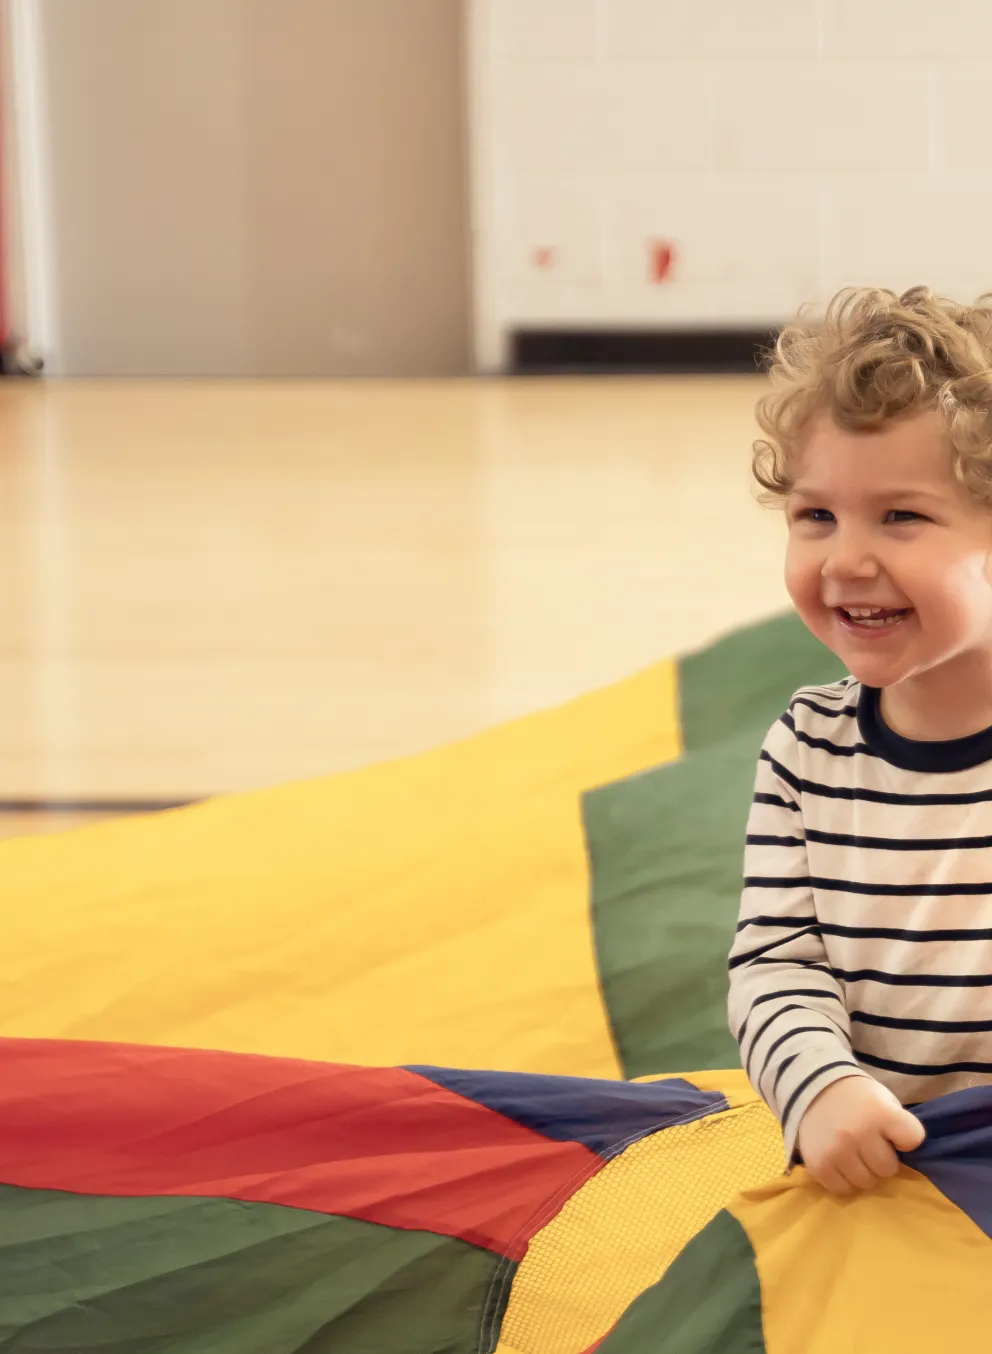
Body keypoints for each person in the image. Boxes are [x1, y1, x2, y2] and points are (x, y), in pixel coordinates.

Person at [728, 285, 992, 1196]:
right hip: (892, 1186)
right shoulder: (808, 745)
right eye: (817, 517)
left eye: (902, 516)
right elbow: (776, 965)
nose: (845, 560)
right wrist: (821, 1087)